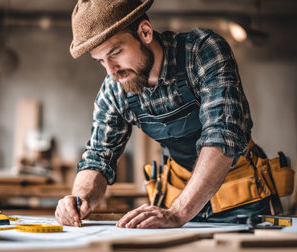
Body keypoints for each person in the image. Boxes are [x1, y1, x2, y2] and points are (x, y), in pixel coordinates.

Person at [55, 0, 271, 228]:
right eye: (100, 61)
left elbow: (222, 136)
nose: (111, 70)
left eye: (115, 52)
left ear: (145, 32)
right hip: (177, 201)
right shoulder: (114, 89)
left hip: (241, 199)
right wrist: (79, 199)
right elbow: (97, 157)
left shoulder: (202, 52)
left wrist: (178, 213)